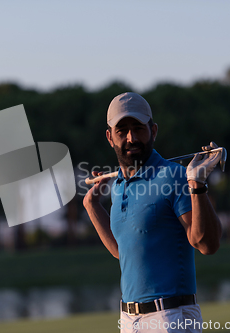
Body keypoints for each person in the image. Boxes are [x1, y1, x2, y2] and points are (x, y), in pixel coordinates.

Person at [83, 92, 222, 333]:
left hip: (170, 317)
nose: (131, 138)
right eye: (122, 131)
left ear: (153, 130)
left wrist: (197, 184)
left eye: (138, 128)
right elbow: (123, 252)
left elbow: (206, 244)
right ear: (109, 137)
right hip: (128, 320)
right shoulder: (116, 186)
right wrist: (92, 207)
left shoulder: (175, 176)